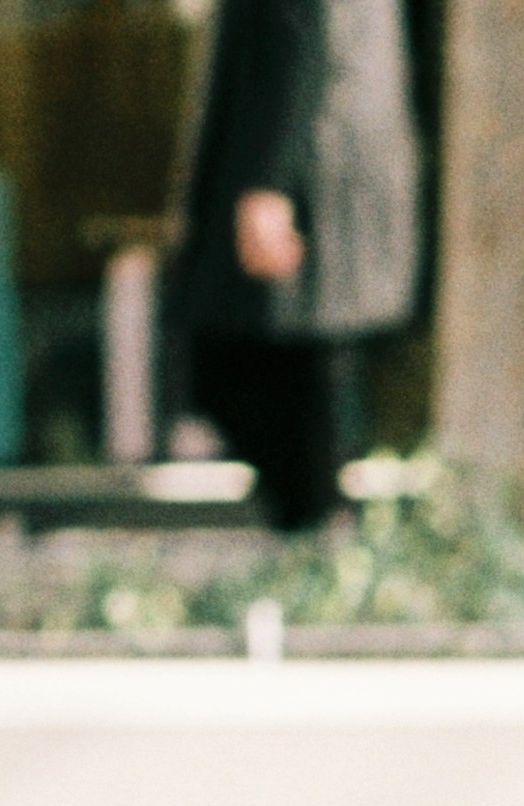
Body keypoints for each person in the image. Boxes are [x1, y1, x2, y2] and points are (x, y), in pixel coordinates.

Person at [164, 0, 416, 532]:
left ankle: (318, 533)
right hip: (319, 180)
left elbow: (298, 43)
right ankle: (316, 529)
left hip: (309, 187)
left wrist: (268, 184)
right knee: (284, 380)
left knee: (273, 379)